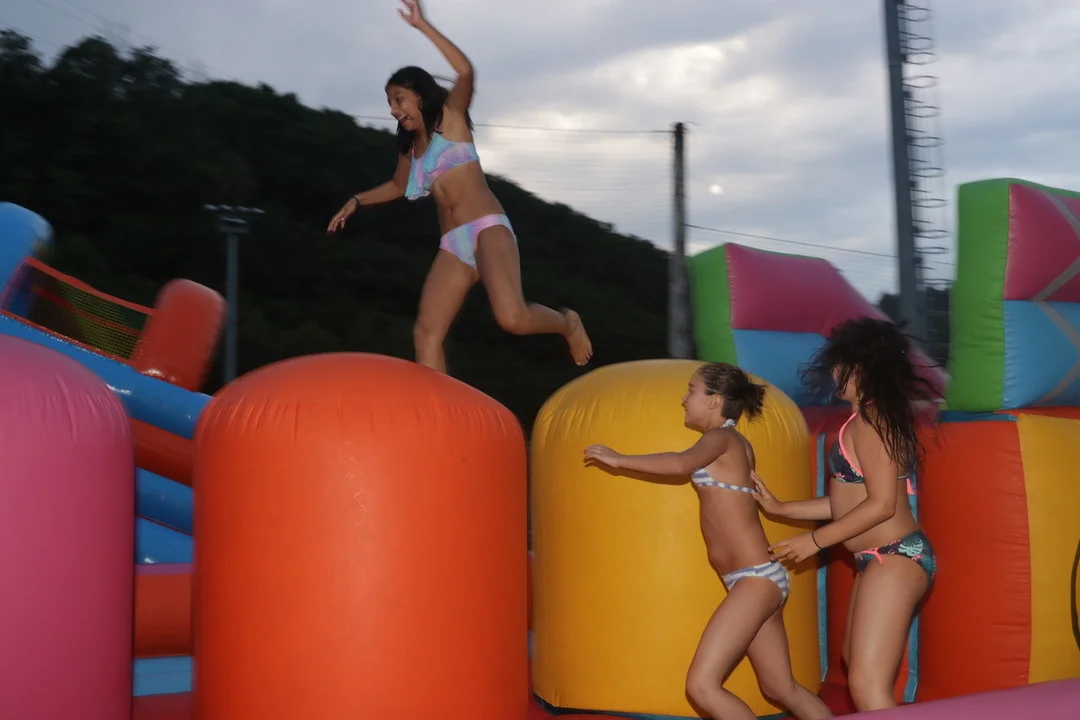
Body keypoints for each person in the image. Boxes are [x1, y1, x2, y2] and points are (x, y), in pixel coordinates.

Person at [326, 0, 592, 373]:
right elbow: (398, 186)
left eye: (398, 99)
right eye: (389, 103)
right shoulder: (411, 148)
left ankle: (568, 323)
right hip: (453, 245)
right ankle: (437, 407)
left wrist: (422, 25)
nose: (393, 109)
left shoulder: (450, 119)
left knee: (513, 319)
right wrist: (357, 200)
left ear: (419, 94)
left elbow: (465, 70)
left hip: (487, 228)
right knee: (426, 333)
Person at [583, 363, 833, 720]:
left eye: (692, 391)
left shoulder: (722, 439)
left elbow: (680, 463)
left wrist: (619, 459)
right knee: (780, 688)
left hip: (755, 579)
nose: (684, 399)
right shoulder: (732, 442)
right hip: (755, 578)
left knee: (702, 685)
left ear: (715, 401)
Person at [753, 317, 940, 712]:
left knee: (867, 686)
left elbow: (882, 504)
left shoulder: (872, 423)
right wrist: (780, 508)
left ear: (864, 368)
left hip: (896, 555)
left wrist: (815, 540)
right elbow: (848, 502)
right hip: (876, 559)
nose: (835, 372)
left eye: (842, 364)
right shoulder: (863, 421)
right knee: (854, 661)